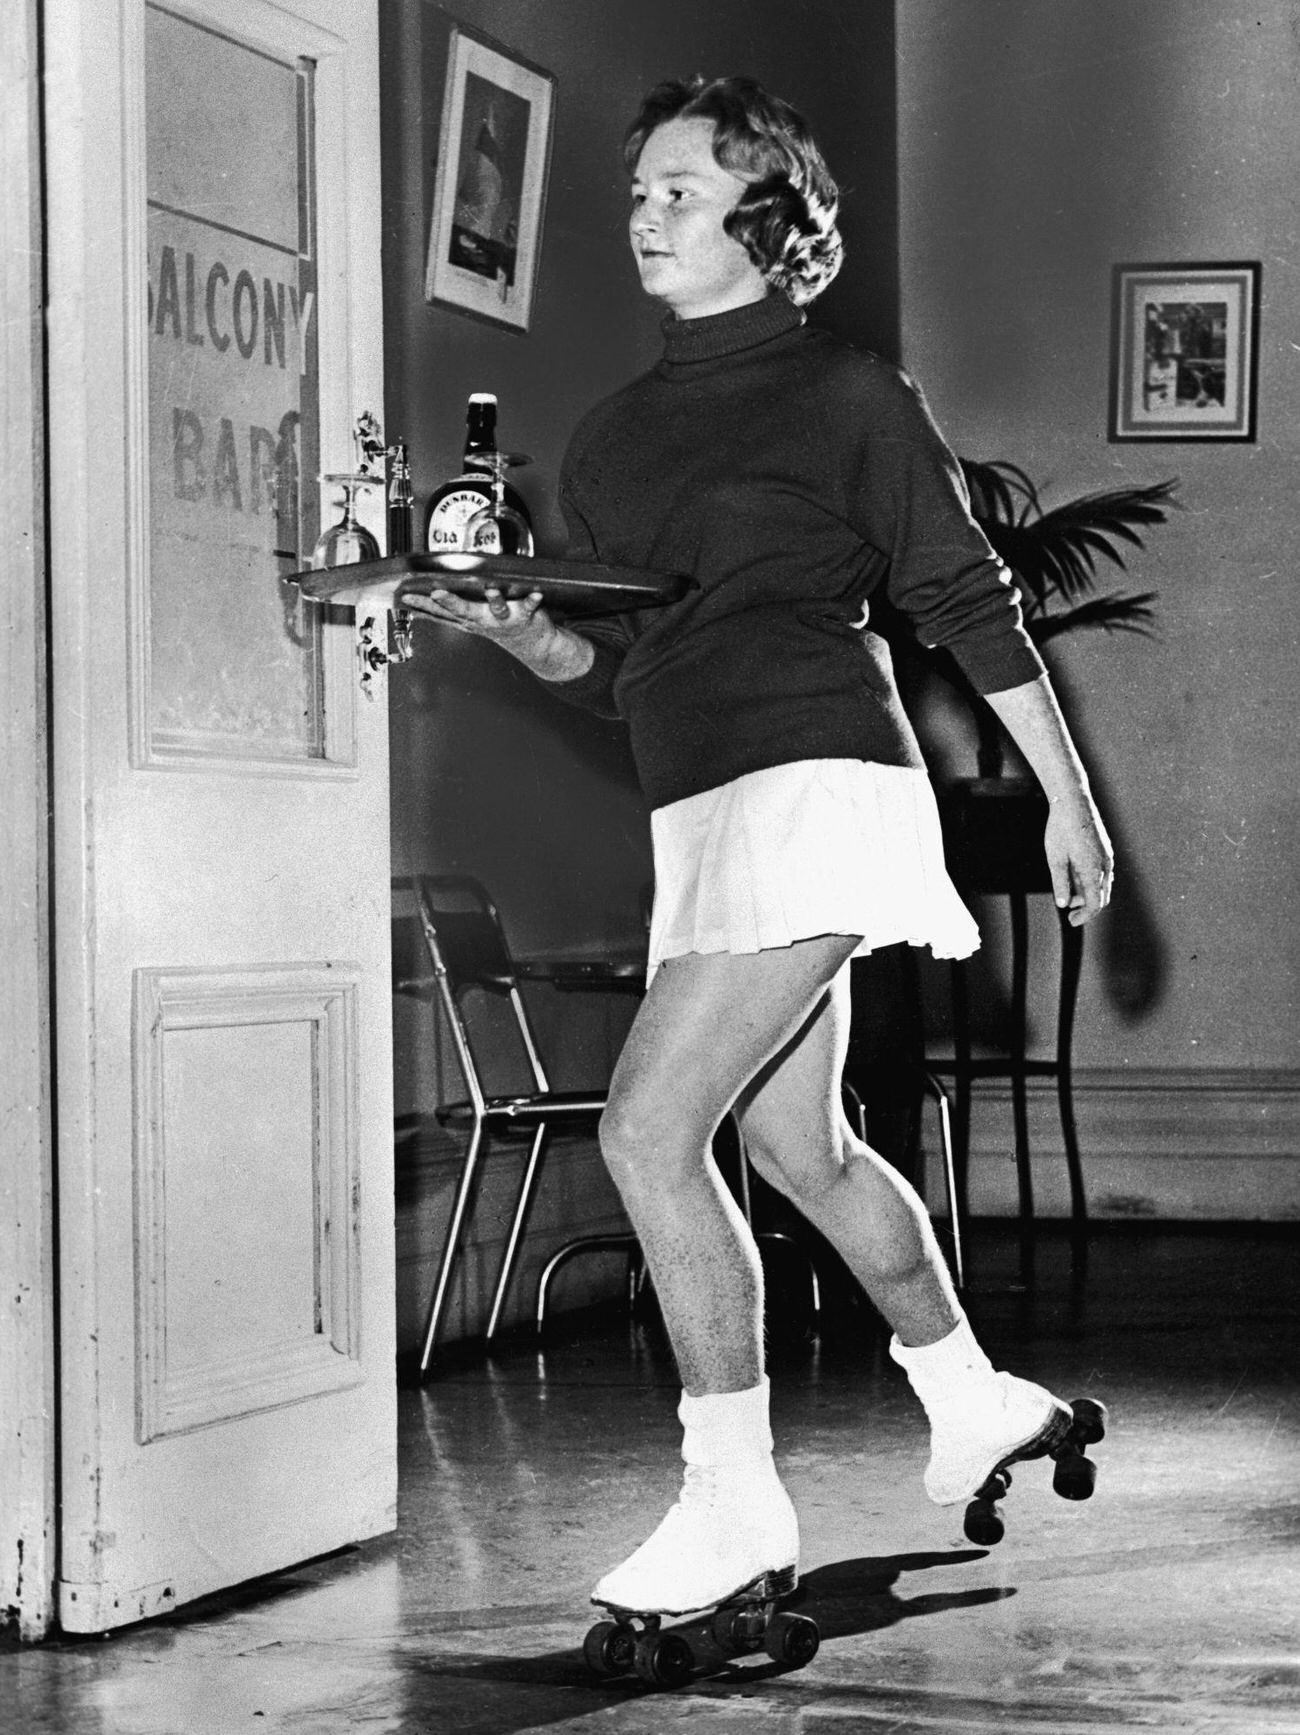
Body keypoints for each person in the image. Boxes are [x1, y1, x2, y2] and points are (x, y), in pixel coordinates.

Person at [403, 76, 1113, 1620]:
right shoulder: (612, 440)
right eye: (641, 191)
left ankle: (734, 1510)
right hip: (703, 809)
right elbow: (629, 681)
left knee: (649, 1135)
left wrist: (1068, 799)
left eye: (678, 190)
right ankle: (975, 1398)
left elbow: (968, 602)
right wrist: (528, 638)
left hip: (822, 781)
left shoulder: (849, 396)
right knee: (801, 1148)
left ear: (768, 219)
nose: (644, 215)